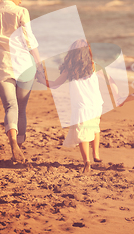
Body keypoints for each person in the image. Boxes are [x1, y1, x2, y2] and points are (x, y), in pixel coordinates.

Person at [0, 0, 43, 164]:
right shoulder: (21, 12)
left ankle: (13, 145)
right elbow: (29, 39)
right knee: (22, 108)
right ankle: (20, 144)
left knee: (11, 107)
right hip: (23, 64)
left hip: (1, 65)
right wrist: (39, 63)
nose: (21, 0)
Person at [46, 40, 104, 174]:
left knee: (83, 134)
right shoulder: (93, 66)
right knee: (95, 128)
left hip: (82, 106)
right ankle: (96, 154)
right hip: (96, 104)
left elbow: (55, 84)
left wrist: (42, 79)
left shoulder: (69, 69)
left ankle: (87, 162)